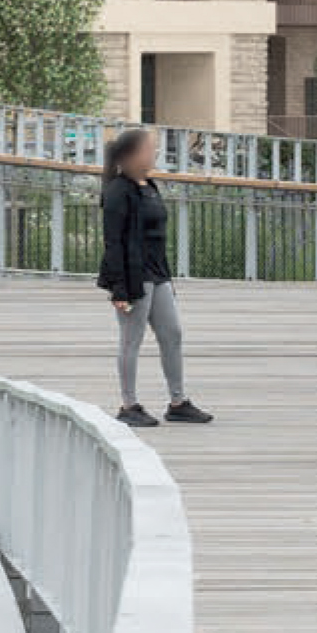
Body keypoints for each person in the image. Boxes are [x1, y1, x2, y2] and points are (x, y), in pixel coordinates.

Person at [94, 127, 210, 428]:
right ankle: (129, 405)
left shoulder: (149, 185)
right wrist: (120, 290)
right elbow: (114, 243)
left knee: (172, 333)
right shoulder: (118, 191)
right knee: (131, 340)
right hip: (134, 277)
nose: (155, 153)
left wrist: (168, 281)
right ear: (132, 155)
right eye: (150, 149)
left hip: (158, 275)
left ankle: (178, 402)